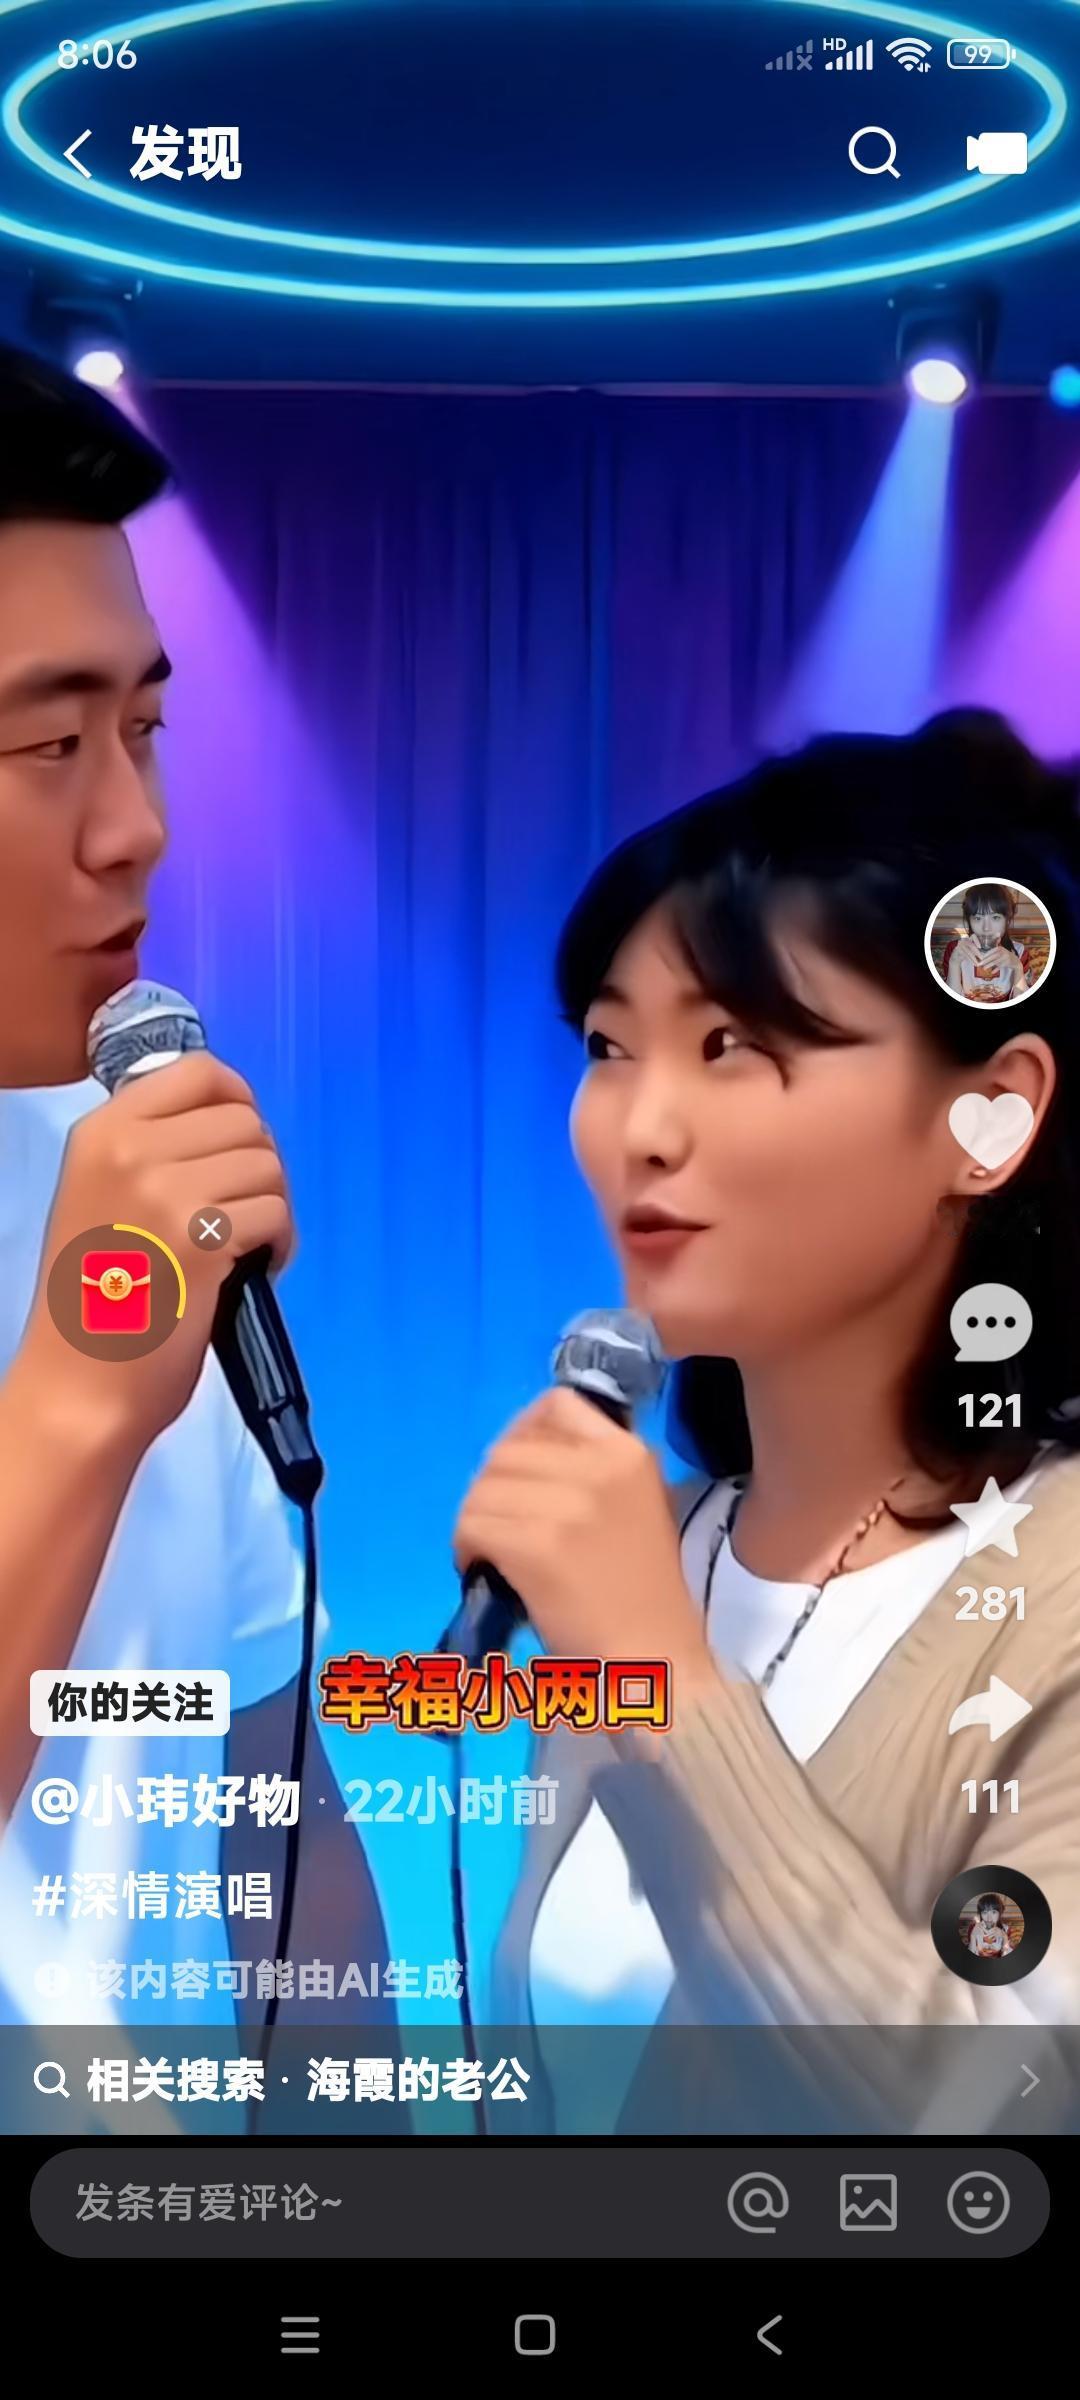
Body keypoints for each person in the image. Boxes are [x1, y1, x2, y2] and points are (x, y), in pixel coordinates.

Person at [460, 713, 1080, 2129]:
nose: (640, 1129)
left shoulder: (1055, 1594)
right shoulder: (657, 1546)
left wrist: (668, 1683)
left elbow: (1006, 2112)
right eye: (610, 1046)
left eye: (730, 1044)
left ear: (989, 1119)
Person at [0, 345, 391, 2043]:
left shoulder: (123, 1174)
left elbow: (269, 1792)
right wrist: (78, 1405)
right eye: (47, 744)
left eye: (143, 731)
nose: (136, 827)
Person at [945, 883, 1030, 1003]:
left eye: (995, 917)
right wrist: (954, 963)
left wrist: (1017, 967)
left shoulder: (1019, 952)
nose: (986, 928)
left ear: (1007, 920)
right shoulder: (955, 949)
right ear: (969, 920)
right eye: (978, 918)